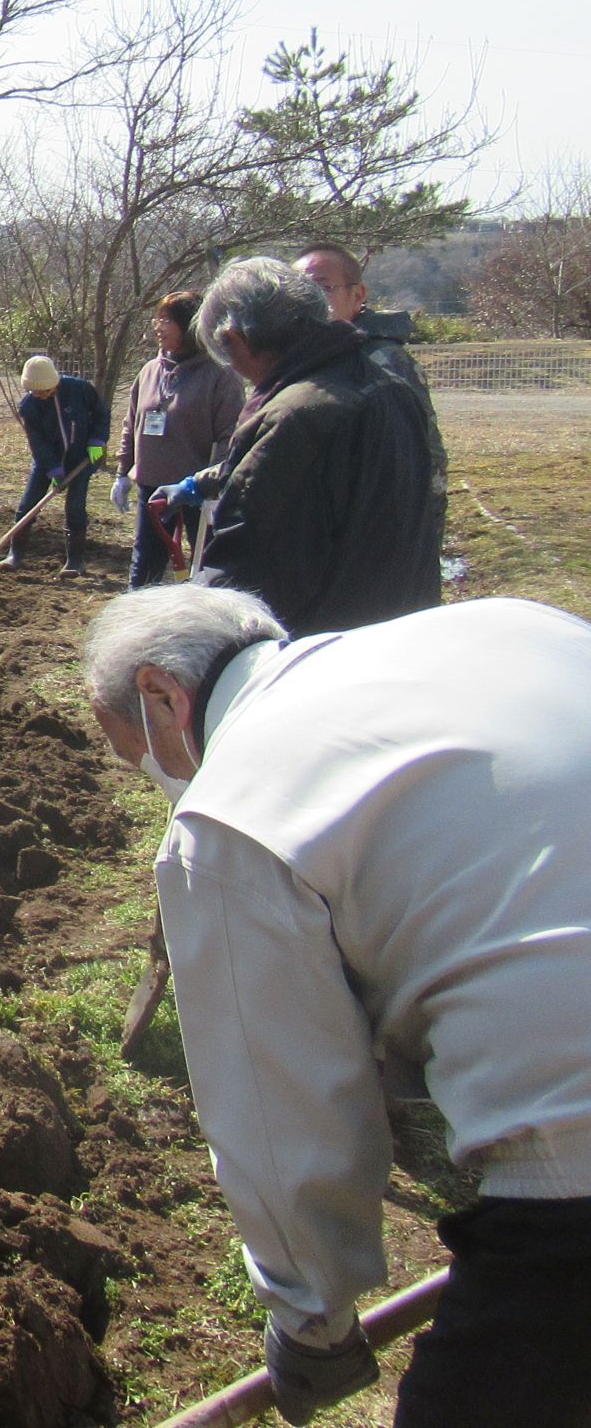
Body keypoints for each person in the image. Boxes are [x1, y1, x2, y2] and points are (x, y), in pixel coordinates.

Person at [81, 583, 591, 1427]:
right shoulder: (512, 625)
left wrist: (311, 1323)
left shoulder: (231, 811)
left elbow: (285, 1118)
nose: (154, 780)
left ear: (163, 696)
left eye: (134, 754)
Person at [151, 257, 437, 635]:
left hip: (326, 644)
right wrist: (203, 483)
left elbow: (250, 559)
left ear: (237, 338)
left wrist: (196, 617)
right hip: (402, 621)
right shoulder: (388, 386)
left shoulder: (294, 416)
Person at [296, 240, 450, 563]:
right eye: (298, 292)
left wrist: (420, 542)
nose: (308, 301)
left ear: (358, 295)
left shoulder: (384, 361)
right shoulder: (301, 358)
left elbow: (425, 456)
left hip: (382, 541)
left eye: (323, 289)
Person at [112, 292, 245, 589]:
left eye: (167, 320)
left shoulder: (219, 375)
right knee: (145, 562)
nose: (158, 327)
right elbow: (131, 423)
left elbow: (231, 435)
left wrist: (213, 482)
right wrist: (123, 471)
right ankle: (137, 614)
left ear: (190, 325)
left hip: (197, 489)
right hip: (153, 486)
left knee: (207, 564)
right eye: (156, 319)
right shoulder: (150, 371)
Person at [9, 354, 110, 576]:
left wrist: (97, 441)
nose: (42, 395)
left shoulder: (80, 390)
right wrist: (53, 468)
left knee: (75, 508)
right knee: (27, 506)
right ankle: (15, 554)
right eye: (36, 392)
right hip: (46, 462)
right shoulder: (29, 406)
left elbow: (101, 415)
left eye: (45, 391)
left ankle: (75, 561)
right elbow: (38, 442)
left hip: (81, 459)